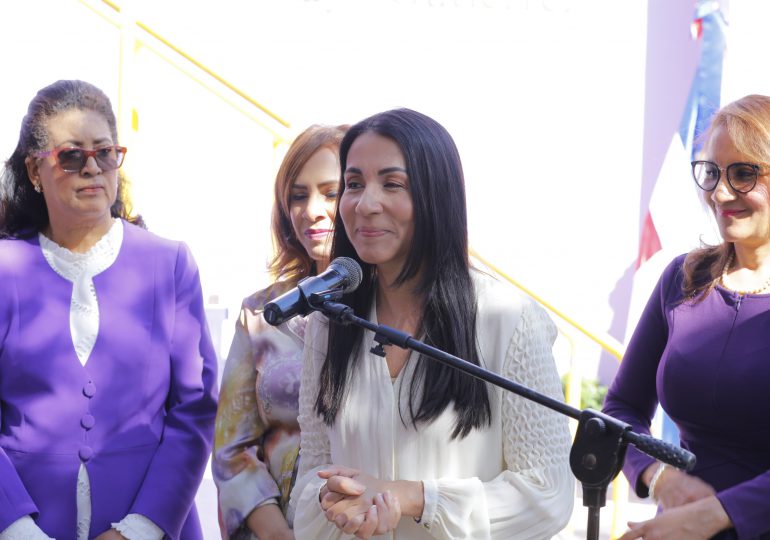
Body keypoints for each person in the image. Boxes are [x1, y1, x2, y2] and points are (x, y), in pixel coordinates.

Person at [289, 108, 574, 539]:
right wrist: (336, 499)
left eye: (392, 183)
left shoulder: (509, 320)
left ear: (435, 195)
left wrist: (411, 498)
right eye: (353, 184)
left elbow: (548, 494)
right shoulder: (329, 326)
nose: (365, 204)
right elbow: (310, 472)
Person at [0, 80, 218, 540]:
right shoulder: (4, 269)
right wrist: (17, 529)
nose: (92, 167)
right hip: (24, 523)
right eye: (71, 155)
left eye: (105, 152)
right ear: (35, 171)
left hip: (150, 522)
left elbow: (195, 408)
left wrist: (140, 528)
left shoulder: (170, 263)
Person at [603, 94, 770, 540]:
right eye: (712, 172)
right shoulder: (684, 278)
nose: (718, 192)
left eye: (742, 173)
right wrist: (661, 478)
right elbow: (622, 408)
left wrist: (714, 514)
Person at [212, 124, 348, 540]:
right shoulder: (260, 311)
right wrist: (276, 534)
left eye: (331, 192)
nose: (312, 210)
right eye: (298, 195)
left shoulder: (397, 312)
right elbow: (232, 449)